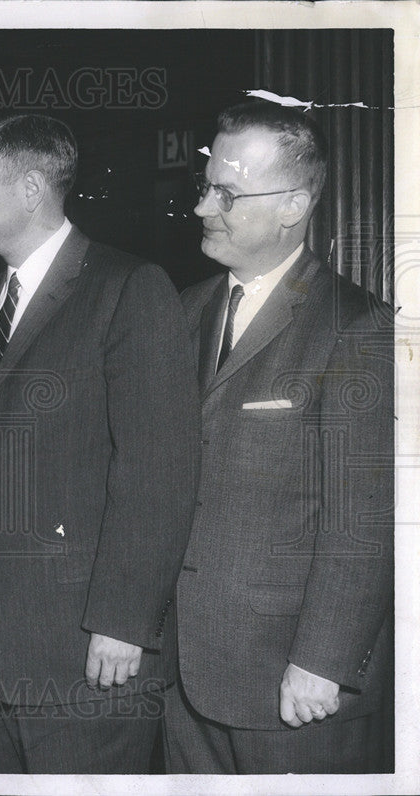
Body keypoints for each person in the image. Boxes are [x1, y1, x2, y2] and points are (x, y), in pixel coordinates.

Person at [0, 113, 201, 773]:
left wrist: (123, 621)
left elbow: (157, 472)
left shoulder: (127, 289)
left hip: (85, 655)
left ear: (30, 190)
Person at [164, 100, 394, 774]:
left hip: (289, 688)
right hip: (184, 672)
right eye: (205, 186)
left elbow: (364, 519)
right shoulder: (186, 310)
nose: (205, 207)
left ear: (294, 204)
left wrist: (322, 663)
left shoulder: (359, 329)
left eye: (227, 193)